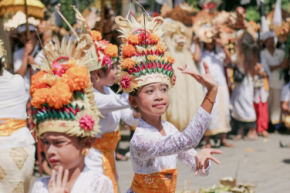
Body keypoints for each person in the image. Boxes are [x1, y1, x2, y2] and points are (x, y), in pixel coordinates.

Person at [115, 14, 221, 193]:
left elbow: (198, 169)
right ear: (133, 100)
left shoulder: (169, 128)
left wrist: (201, 159)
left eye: (163, 89)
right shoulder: (141, 139)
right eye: (149, 91)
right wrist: (211, 93)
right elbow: (186, 141)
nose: (159, 96)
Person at [30, 36, 113, 193]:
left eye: (59, 142)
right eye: (46, 142)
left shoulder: (99, 184)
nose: (50, 151)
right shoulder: (40, 186)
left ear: (86, 143)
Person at [72, 7, 139, 193]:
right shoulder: (89, 96)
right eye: (112, 68)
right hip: (92, 158)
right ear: (96, 74)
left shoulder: (109, 91)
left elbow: (130, 118)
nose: (116, 71)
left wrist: (145, 109)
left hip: (109, 157)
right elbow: (118, 103)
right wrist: (140, 90)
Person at [0, 38, 35, 193]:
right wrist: (26, 55)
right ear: (4, 64)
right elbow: (19, 74)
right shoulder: (17, 83)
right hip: (21, 147)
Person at [193, 24, 233, 148]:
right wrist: (197, 43)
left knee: (223, 111)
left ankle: (223, 139)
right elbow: (196, 58)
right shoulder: (201, 51)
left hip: (221, 85)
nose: (210, 42)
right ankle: (207, 141)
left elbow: (229, 60)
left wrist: (222, 44)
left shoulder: (219, 51)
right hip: (207, 87)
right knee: (208, 112)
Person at [230, 32, 259, 140]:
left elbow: (231, 59)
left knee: (247, 107)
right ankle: (241, 131)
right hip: (242, 85)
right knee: (239, 108)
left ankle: (252, 130)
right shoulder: (249, 55)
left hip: (245, 85)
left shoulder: (243, 56)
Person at [261, 31, 288, 129]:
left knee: (277, 104)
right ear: (265, 42)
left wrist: (285, 64)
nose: (271, 41)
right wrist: (280, 66)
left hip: (278, 82)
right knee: (268, 104)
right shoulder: (262, 54)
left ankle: (277, 124)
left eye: (272, 39)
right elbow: (266, 68)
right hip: (267, 82)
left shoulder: (280, 53)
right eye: (269, 40)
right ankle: (268, 124)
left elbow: (285, 66)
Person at [253, 60, 270, 137]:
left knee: (263, 110)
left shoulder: (263, 61)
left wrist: (261, 72)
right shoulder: (249, 59)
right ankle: (254, 129)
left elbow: (268, 74)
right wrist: (255, 70)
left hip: (262, 89)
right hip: (252, 89)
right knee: (254, 110)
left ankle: (263, 129)